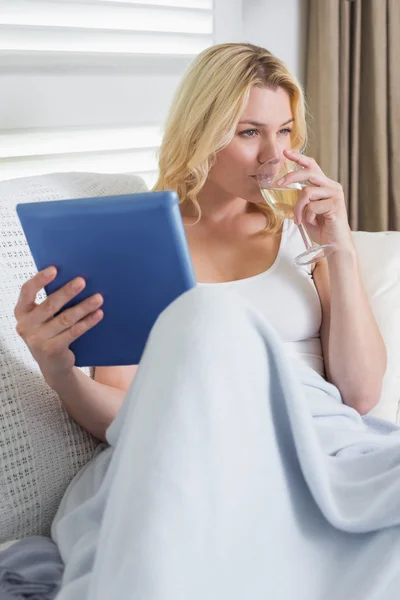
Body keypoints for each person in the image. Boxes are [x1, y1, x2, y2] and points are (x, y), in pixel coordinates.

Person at [13, 43, 400, 600]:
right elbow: (122, 413)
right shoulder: (138, 240)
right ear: (201, 131)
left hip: (322, 441)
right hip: (202, 440)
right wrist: (60, 373)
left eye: (286, 131)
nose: (274, 154)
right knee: (208, 314)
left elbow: (361, 395)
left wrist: (341, 250)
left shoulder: (301, 231)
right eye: (249, 133)